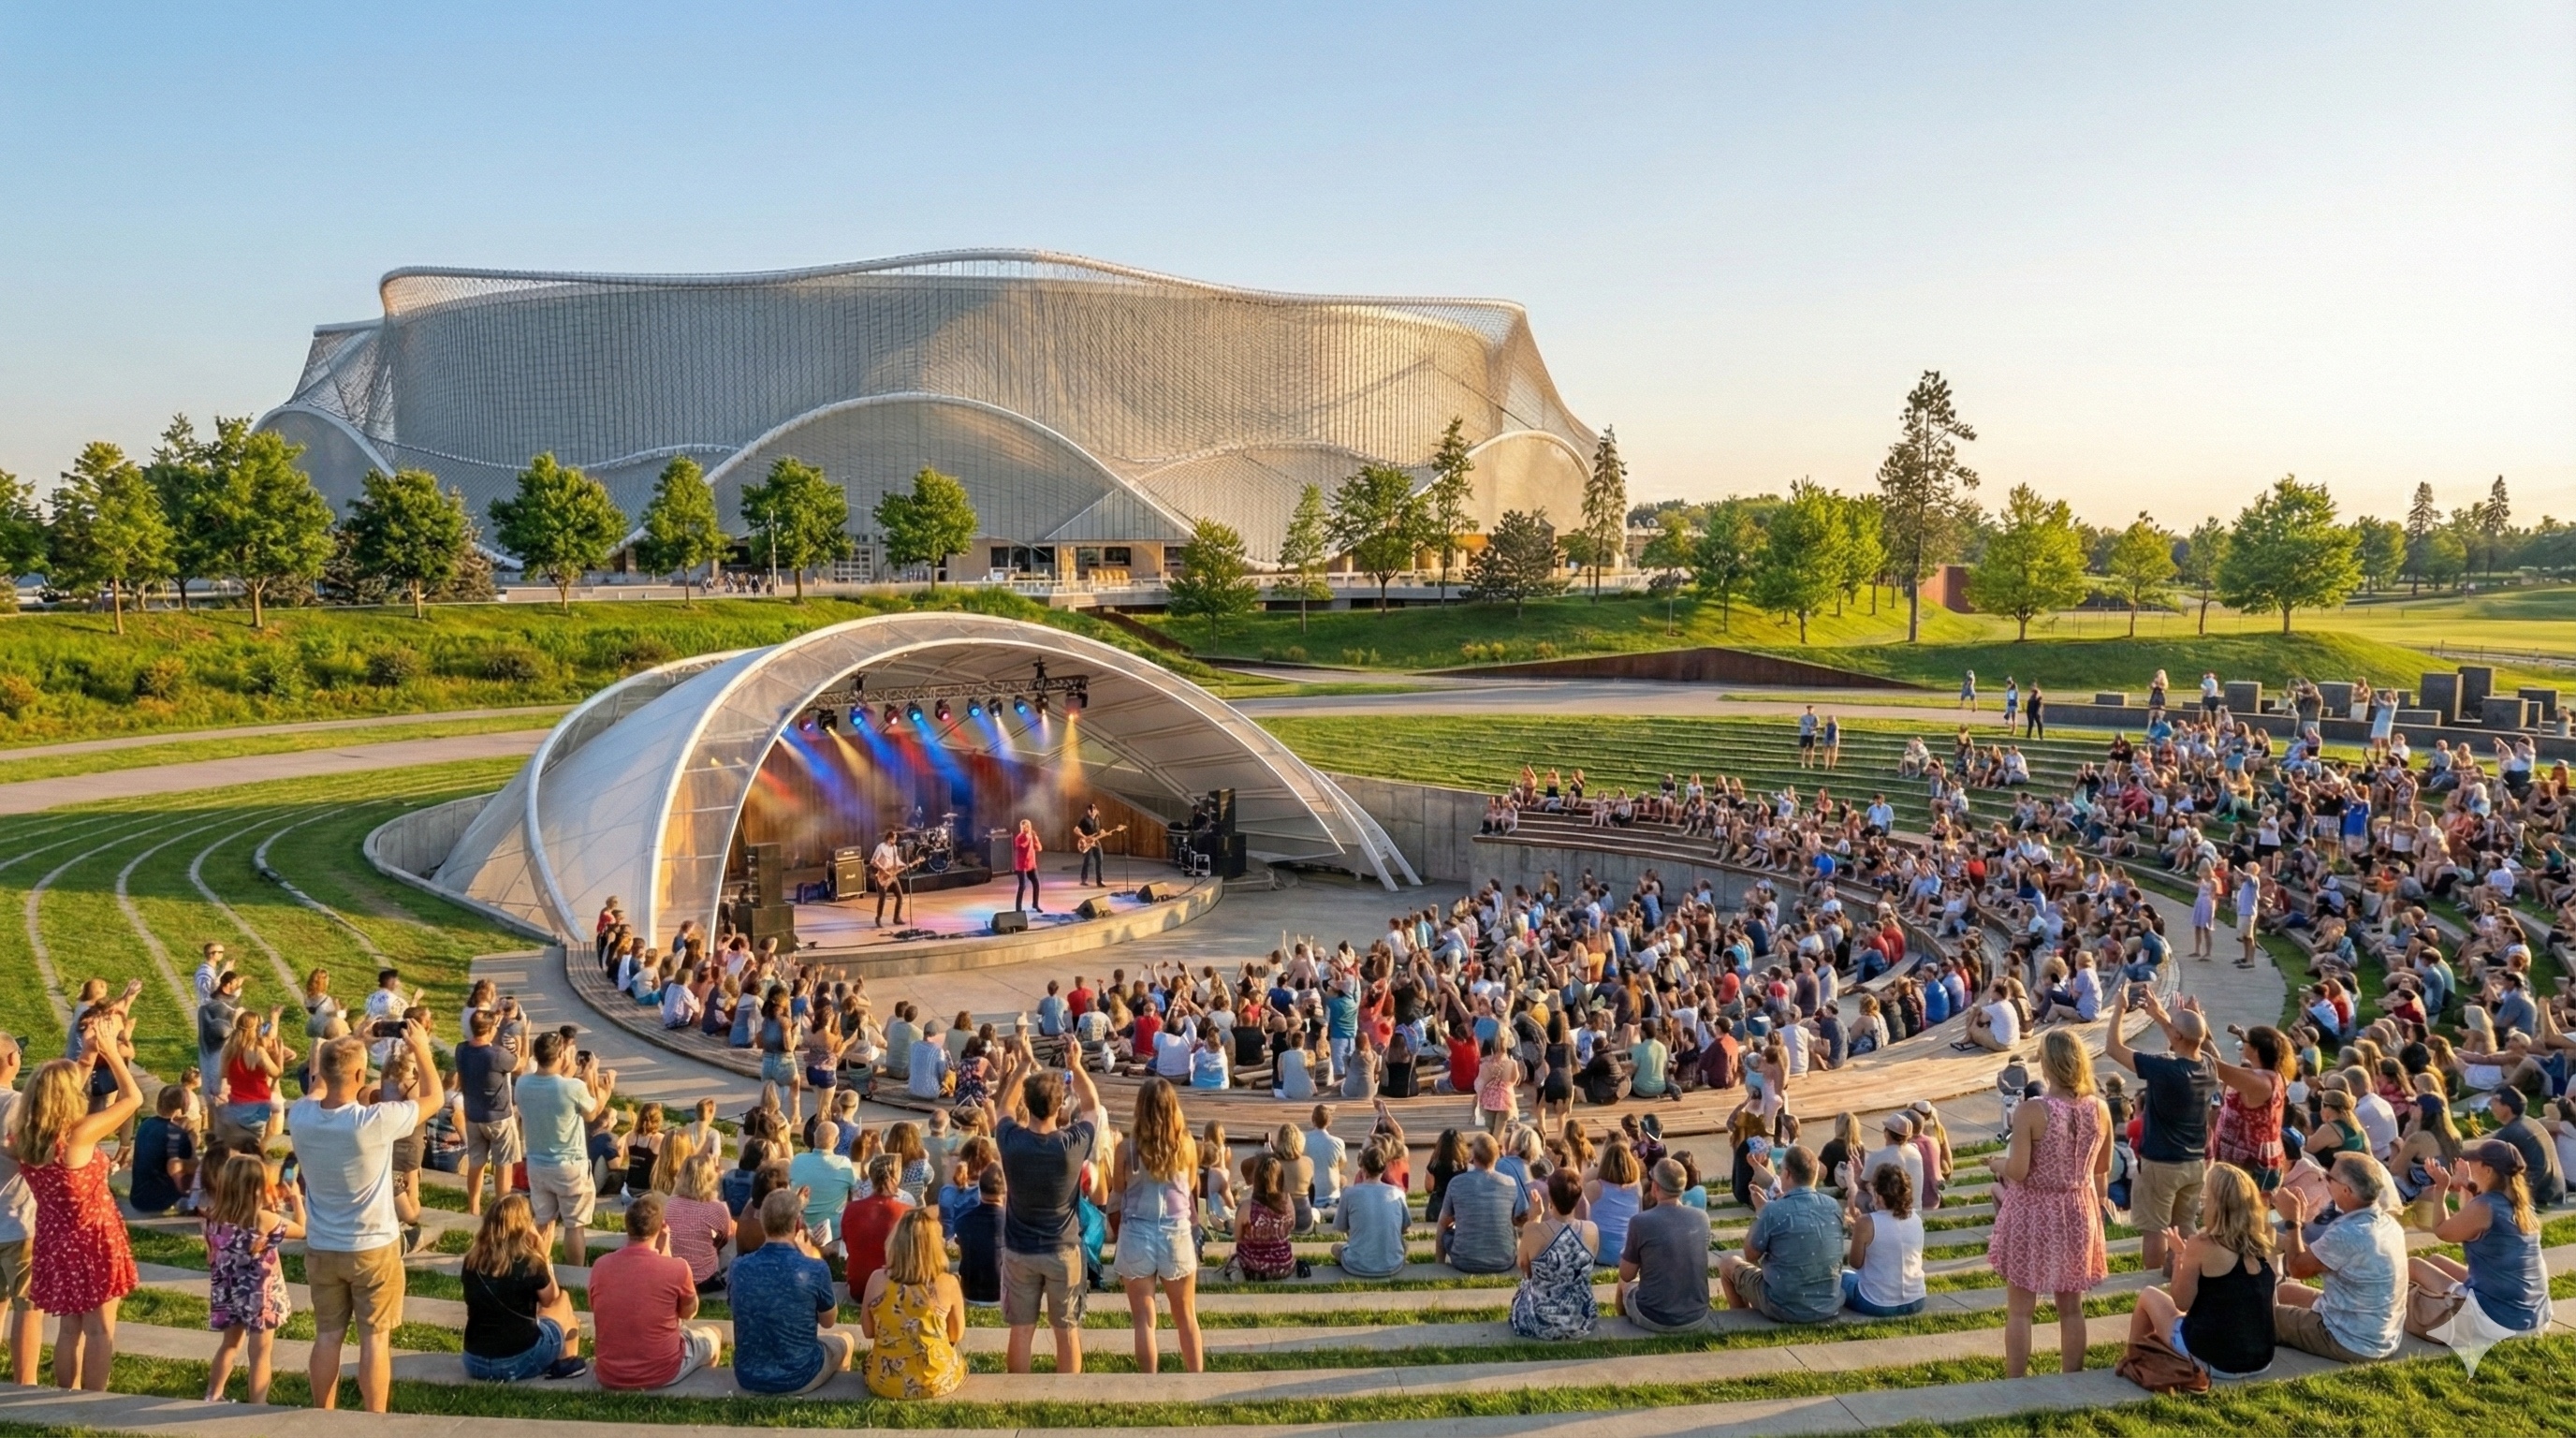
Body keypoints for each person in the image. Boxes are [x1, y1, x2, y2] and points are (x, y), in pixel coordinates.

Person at [289, 1020, 443, 1412]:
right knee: (374, 1340)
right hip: (373, 1246)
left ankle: (322, 1415)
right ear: (360, 1075)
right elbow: (434, 1098)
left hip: (323, 1245)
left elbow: (320, 1086)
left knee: (327, 1337)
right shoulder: (373, 1122)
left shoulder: (301, 1116)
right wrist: (421, 1048)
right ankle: (373, 1423)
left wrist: (355, 1040)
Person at [1990, 1029, 2111, 1378]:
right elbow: (2102, 1167)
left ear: (2048, 1064)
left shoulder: (2033, 1110)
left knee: (2020, 1309)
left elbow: (2019, 1171)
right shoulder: (2100, 1108)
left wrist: (1998, 1164)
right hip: (2078, 1209)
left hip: (2034, 1211)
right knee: (2071, 1308)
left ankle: (2016, 1381)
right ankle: (2071, 1376)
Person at [994, 1036, 1101, 1373]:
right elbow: (1093, 1107)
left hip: (1019, 1250)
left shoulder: (1011, 1141)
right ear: (1059, 1108)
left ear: (1029, 1102)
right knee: (1066, 1330)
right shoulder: (1073, 1143)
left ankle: (1019, 1393)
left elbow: (1003, 1109)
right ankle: (1067, 1397)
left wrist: (1023, 1065)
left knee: (1021, 1330)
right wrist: (1076, 1066)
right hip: (1063, 1249)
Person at [2127, 1163, 2276, 1383]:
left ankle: (2134, 1361)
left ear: (2216, 1203)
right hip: (2261, 1360)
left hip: (2217, 1362)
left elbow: (2181, 1302)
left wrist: (2180, 1256)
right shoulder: (2264, 1241)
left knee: (2149, 1295)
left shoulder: (2202, 1244)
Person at [2405, 1140, 2552, 1357]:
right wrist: (2469, 1185)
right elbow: (2473, 1221)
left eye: (2476, 1162)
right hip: (2533, 1316)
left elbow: (2442, 1230)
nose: (2471, 1165)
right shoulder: (2521, 1204)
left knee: (2414, 1265)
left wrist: (2441, 1188)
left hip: (2501, 1322)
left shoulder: (2486, 1206)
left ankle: (2384, 1313)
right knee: (2435, 1260)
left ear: (2488, 1170)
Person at [2106, 987, 2217, 1274]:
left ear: (2177, 1036)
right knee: (2185, 1225)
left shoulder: (2165, 1070)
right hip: (2193, 1164)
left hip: (2161, 1164)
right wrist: (2160, 1015)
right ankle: (2186, 1276)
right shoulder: (2208, 1067)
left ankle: (2152, 1282)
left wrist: (2118, 1008)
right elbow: (2187, 1038)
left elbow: (2114, 1048)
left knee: (2154, 1228)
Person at [2271, 1152, 2408, 1364]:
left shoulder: (2349, 1233)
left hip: (2349, 1340)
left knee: (2259, 1317)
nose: (2324, 1178)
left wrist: (2292, 1221)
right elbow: (2314, 1257)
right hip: (2380, 1333)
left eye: (2329, 1177)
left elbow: (2297, 1269)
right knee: (2284, 1290)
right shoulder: (2386, 1223)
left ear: (2346, 1190)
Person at [1110, 1078, 1205, 1372]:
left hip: (1137, 1233)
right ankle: (1196, 1380)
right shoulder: (1187, 1144)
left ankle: (1149, 1383)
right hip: (1176, 1232)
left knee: (1144, 1320)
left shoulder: (1127, 1148)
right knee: (1186, 1316)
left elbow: (1119, 1187)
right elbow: (1189, 1185)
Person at [730, 1187, 856, 1394]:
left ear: (763, 1222)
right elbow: (829, 1321)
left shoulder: (738, 1268)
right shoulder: (814, 1268)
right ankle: (834, 1396)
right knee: (846, 1339)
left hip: (748, 1375)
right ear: (797, 1224)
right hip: (800, 1376)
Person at [592, 1193, 724, 1391]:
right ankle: (698, 1390)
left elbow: (596, 1307)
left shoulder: (600, 1266)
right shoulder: (678, 1268)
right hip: (662, 1370)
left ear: (627, 1225)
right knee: (714, 1333)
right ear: (662, 1225)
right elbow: (689, 1313)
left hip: (609, 1372)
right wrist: (666, 1247)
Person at [200, 1152, 303, 1402]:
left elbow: (211, 1255)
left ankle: (214, 1394)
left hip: (229, 1291)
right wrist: (296, 1199)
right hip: (260, 1294)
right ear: (258, 1188)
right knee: (260, 1352)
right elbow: (302, 1230)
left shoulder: (212, 1218)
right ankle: (258, 1404)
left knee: (230, 1345)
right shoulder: (263, 1220)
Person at [460, 1193, 587, 1382]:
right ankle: (566, 1362)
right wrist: (543, 1255)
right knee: (564, 1300)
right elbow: (552, 1299)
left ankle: (563, 1360)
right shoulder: (529, 1263)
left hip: (474, 1361)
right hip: (516, 1362)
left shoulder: (471, 1261)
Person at [515, 1032, 613, 1271]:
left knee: (543, 1220)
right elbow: (591, 1113)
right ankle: (574, 1274)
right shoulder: (573, 1087)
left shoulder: (523, 1083)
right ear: (560, 1055)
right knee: (574, 1224)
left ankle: (538, 1267)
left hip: (537, 1163)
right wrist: (604, 1092)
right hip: (570, 1165)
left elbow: (551, 1087)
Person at [1718, 1145, 1841, 1324]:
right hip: (1828, 1303)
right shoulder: (1833, 1206)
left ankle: (1741, 1320)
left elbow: (1750, 1254)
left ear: (1788, 1174)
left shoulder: (1773, 1211)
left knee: (1728, 1263)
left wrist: (1761, 1212)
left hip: (1783, 1306)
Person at [860, 1208, 967, 1399]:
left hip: (885, 1382)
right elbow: (955, 1335)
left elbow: (868, 1332)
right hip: (934, 1382)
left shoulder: (877, 1279)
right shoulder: (948, 1283)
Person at [1621, 1158, 1714, 1332]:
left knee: (1625, 1284)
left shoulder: (1639, 1222)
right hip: (1697, 1315)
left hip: (1653, 1316)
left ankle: (1620, 1324)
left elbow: (1626, 1274)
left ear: (1655, 1187)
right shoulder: (1702, 1218)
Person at [1511, 1167, 1599, 1340]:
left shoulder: (1532, 1230)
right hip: (1581, 1320)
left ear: (1550, 1196)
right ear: (1578, 1196)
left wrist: (1534, 1217)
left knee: (1523, 1288)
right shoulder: (1592, 1230)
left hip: (1540, 1321)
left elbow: (1523, 1267)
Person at [456, 1006, 524, 1218]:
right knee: (503, 1163)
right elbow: (519, 1065)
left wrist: (495, 1021)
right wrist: (524, 1038)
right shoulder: (498, 1055)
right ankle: (500, 1211)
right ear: (490, 1030)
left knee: (476, 1163)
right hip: (499, 1116)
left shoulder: (461, 1049)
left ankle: (473, 1208)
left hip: (473, 1115)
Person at [0, 1034, 37, 1387]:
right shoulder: (15, 1104)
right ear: (13, 1060)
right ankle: (23, 1385)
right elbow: (28, 1155)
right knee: (27, 1305)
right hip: (16, 1220)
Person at [1843, 1162, 1926, 1318]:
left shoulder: (1866, 1223)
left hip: (1877, 1302)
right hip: (1916, 1299)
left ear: (1879, 1197)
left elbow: (1855, 1263)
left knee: (1842, 1278)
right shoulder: (1916, 1218)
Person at [1438, 1133, 1527, 1275]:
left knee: (1446, 1230)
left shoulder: (1456, 1183)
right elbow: (1517, 1219)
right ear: (1497, 1156)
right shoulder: (1510, 1183)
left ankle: (1438, 1265)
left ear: (1473, 1156)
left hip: (1464, 1260)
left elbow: (1443, 1222)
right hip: (1504, 1260)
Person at [1331, 1144, 1411, 1282]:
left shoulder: (1349, 1193)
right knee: (1405, 1245)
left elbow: (1340, 1226)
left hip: (1356, 1265)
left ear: (1362, 1167)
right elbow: (1405, 1227)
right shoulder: (1397, 1193)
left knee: (1335, 1248)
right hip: (1393, 1265)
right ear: (1384, 1168)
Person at [2482, 1088, 2566, 1209]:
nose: (2491, 1105)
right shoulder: (2528, 1122)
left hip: (2539, 1195)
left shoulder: (2510, 1132)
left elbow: (2483, 1153)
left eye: (2494, 1101)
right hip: (2555, 1191)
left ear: (2507, 1107)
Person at [840, 1153, 910, 1299]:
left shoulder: (851, 1209)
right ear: (895, 1177)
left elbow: (848, 1244)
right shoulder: (906, 1212)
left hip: (858, 1287)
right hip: (894, 1288)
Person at [127, 1084, 198, 1216]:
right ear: (180, 1109)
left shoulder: (145, 1124)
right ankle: (187, 1202)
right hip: (160, 1201)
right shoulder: (178, 1135)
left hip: (137, 1198)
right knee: (203, 1168)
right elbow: (192, 1167)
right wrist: (193, 1141)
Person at [1012, 817, 1046, 913]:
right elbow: (1024, 846)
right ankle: (1018, 909)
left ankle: (1035, 904)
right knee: (1022, 886)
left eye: (1026, 827)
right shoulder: (1019, 838)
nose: (1024, 829)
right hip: (1021, 865)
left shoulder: (1031, 836)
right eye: (1022, 827)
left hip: (1031, 864)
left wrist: (1036, 838)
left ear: (1029, 827)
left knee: (1036, 884)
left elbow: (1039, 848)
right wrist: (1029, 837)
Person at [1075, 801, 1109, 888]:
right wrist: (1085, 837)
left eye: (1095, 808)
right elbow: (1076, 830)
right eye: (1092, 809)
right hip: (1087, 843)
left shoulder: (1098, 819)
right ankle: (1083, 879)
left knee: (1099, 859)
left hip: (1096, 842)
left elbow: (1101, 830)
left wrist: (1106, 833)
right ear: (1089, 811)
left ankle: (1099, 881)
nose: (1094, 810)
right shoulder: (1084, 820)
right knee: (1087, 861)